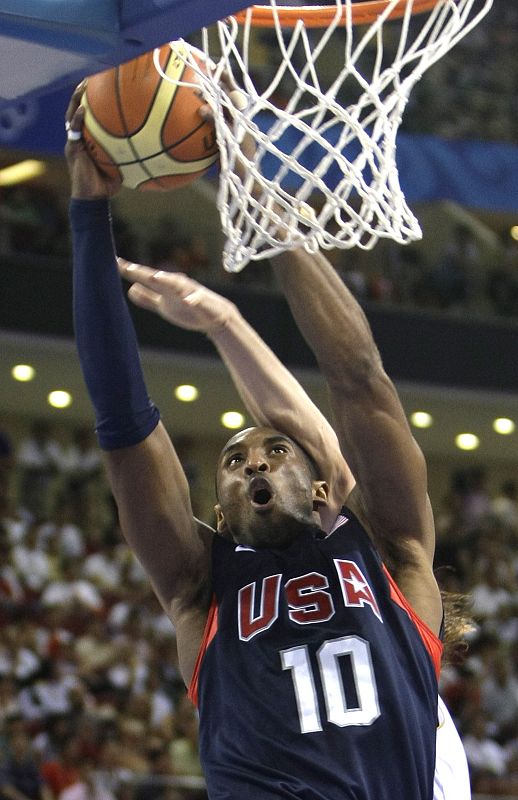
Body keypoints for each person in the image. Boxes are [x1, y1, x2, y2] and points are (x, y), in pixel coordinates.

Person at [66, 85, 444, 799]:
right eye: (234, 461)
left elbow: (359, 378)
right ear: (217, 506)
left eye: (274, 452)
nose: (253, 463)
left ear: (324, 483)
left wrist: (260, 197)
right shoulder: (199, 589)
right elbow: (122, 425)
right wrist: (88, 214)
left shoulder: (395, 556)